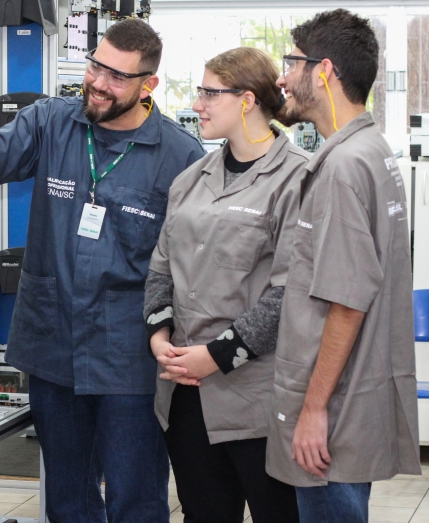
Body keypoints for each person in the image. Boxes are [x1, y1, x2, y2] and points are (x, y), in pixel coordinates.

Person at [0, 19, 204, 523]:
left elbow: (193, 265)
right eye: (95, 66)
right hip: (54, 347)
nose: (98, 82)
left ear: (148, 85)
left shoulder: (179, 155)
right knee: (67, 500)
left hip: (128, 360)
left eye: (116, 77)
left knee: (136, 499)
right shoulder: (52, 121)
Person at [266, 9, 421, 523]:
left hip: (334, 413)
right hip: (356, 399)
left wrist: (313, 411)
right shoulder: (372, 150)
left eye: (291, 63)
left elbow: (348, 301)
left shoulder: (344, 167)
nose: (282, 77)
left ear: (324, 71)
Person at [144, 47, 308, 523]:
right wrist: (160, 338)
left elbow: (289, 294)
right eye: (199, 92)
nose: (197, 105)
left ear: (248, 100)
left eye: (209, 93)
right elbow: (161, 269)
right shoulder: (191, 179)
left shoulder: (298, 177)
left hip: (259, 400)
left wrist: (215, 355)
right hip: (186, 392)